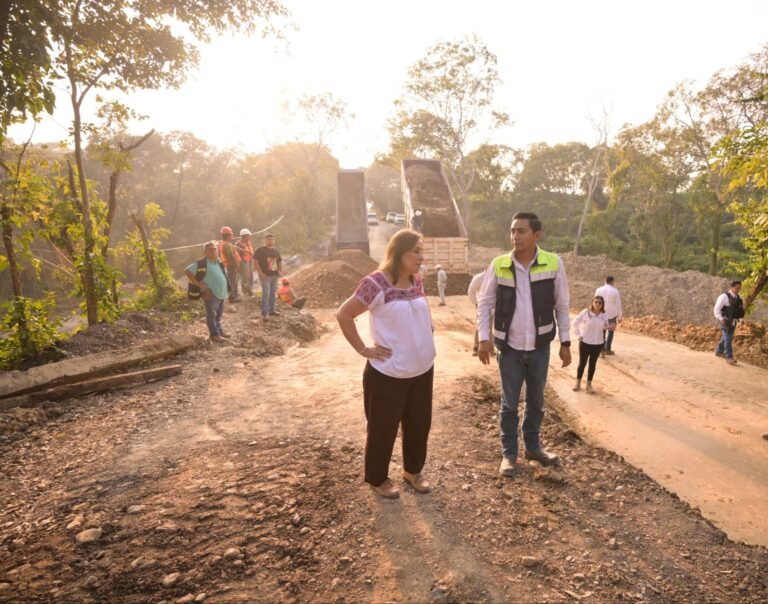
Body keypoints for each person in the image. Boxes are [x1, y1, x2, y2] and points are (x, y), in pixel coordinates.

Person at [336, 229, 436, 499]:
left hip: (422, 368)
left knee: (418, 424)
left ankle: (413, 471)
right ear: (399, 252)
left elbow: (417, 312)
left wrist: (425, 328)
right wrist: (363, 348)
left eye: (421, 251)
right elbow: (344, 314)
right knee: (383, 429)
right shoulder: (376, 283)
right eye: (416, 251)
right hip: (388, 372)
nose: (421, 256)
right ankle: (378, 478)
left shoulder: (417, 279)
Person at [476, 212, 571, 477]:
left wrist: (566, 341)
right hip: (509, 348)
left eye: (521, 231)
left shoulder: (553, 263)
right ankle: (509, 455)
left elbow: (562, 304)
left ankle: (533, 447)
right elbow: (485, 303)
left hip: (540, 347)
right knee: (509, 404)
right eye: (512, 231)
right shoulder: (499, 264)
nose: (515, 236)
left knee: (536, 401)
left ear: (536, 235)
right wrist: (483, 338)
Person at [185, 241, 230, 343]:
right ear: (205, 252)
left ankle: (219, 331)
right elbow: (187, 271)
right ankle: (214, 335)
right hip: (210, 293)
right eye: (210, 249)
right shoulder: (201, 263)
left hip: (221, 292)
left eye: (215, 249)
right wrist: (198, 284)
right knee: (211, 315)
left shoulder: (218, 261)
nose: (213, 251)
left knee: (218, 315)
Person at [572, 296, 609, 393]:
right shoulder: (585, 312)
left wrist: (609, 326)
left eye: (600, 303)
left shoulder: (604, 315)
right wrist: (579, 334)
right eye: (596, 302)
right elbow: (575, 323)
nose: (598, 304)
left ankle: (589, 385)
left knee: (592, 364)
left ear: (602, 305)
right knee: (582, 363)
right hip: (585, 342)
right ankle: (578, 383)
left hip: (598, 343)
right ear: (592, 303)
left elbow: (606, 326)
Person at [714, 280, 744, 365]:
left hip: (733, 321)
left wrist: (741, 320)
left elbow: (740, 310)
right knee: (728, 338)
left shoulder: (738, 297)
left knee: (727, 337)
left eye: (740, 288)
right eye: (737, 288)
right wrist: (721, 319)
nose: (738, 290)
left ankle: (719, 351)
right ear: (732, 287)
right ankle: (729, 357)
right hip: (725, 320)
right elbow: (716, 309)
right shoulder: (724, 296)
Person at [254, 233, 283, 321]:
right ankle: (264, 313)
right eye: (268, 239)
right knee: (266, 294)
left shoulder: (276, 251)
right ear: (265, 240)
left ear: (274, 241)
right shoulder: (260, 250)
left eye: (272, 239)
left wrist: (280, 271)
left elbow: (279, 262)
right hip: (265, 276)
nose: (270, 241)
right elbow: (255, 262)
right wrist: (261, 273)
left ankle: (272, 310)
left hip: (274, 275)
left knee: (273, 294)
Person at [595, 276, 623, 356]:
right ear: (612, 282)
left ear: (605, 281)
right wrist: (620, 316)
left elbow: (595, 301)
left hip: (601, 314)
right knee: (610, 332)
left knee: (602, 332)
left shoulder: (599, 290)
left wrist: (594, 312)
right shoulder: (615, 291)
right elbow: (618, 305)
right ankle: (607, 349)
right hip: (611, 315)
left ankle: (601, 350)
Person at [218, 226, 241, 303]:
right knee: (232, 281)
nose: (232, 236)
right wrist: (236, 266)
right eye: (231, 235)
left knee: (232, 281)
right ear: (227, 235)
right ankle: (232, 297)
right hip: (231, 266)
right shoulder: (227, 245)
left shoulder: (223, 244)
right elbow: (231, 256)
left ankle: (234, 295)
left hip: (228, 265)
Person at [467, 271, 486, 356]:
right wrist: (476, 303)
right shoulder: (479, 278)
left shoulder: (496, 277)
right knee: (480, 325)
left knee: (491, 326)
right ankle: (476, 347)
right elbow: (471, 291)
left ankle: (491, 347)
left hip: (493, 306)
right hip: (482, 306)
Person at [237, 228, 255, 296]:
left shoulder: (248, 242)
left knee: (250, 275)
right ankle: (245, 290)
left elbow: (251, 251)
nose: (249, 237)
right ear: (243, 236)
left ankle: (250, 289)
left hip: (250, 260)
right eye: (247, 236)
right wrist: (239, 264)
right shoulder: (238, 244)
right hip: (243, 261)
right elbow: (237, 255)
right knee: (245, 277)